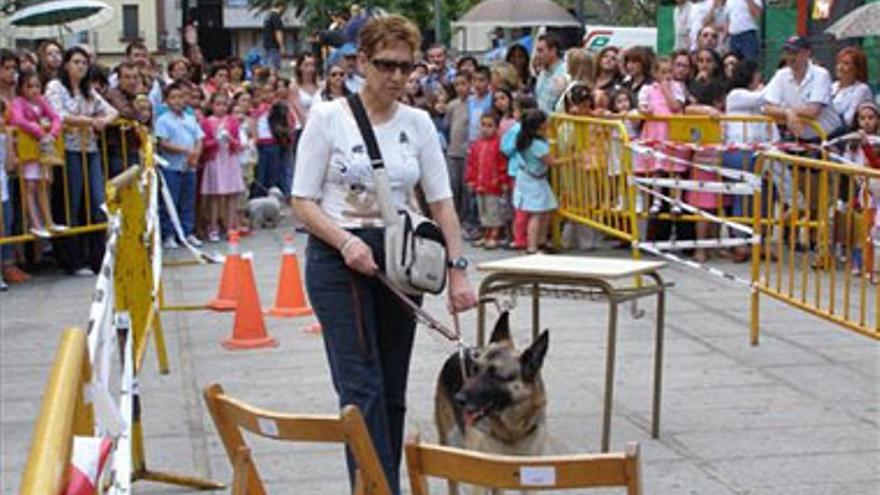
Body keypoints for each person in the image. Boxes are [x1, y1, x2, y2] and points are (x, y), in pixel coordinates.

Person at [291, 15, 477, 494]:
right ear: (361, 63)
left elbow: (441, 203)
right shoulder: (329, 116)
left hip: (400, 259)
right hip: (340, 256)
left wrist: (458, 273)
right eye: (386, 65)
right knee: (361, 387)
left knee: (392, 389)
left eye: (406, 66)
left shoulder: (417, 124)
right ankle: (375, 488)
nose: (397, 76)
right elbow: (302, 201)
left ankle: (380, 484)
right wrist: (345, 241)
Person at [45, 47, 118, 276]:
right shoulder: (55, 87)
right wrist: (88, 121)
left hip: (90, 149)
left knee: (97, 201)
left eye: (84, 63)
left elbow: (111, 111)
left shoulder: (88, 91)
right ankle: (72, 260)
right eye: (76, 62)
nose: (80, 67)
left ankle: (97, 257)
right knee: (71, 203)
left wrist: (103, 122)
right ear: (66, 64)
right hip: (67, 149)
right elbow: (58, 115)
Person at [10, 71, 65, 238]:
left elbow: (56, 118)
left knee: (42, 184)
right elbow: (18, 120)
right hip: (27, 149)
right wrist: (38, 130)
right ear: (22, 88)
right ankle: (35, 222)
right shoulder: (18, 102)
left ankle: (48, 221)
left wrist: (53, 134)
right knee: (30, 186)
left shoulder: (42, 101)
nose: (34, 90)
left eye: (37, 86)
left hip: (41, 149)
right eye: (30, 86)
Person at [762, 36, 842, 141]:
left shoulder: (821, 74)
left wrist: (787, 112)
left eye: (794, 53)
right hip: (801, 139)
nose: (790, 57)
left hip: (829, 137)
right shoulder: (781, 75)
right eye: (787, 53)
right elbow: (767, 108)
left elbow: (813, 111)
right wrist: (788, 113)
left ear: (807, 53)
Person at [155, 81, 204, 249]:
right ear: (166, 101)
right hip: (171, 167)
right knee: (170, 202)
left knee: (188, 201)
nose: (177, 101)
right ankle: (169, 234)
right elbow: (163, 143)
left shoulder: (190, 119)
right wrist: (185, 151)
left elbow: (199, 138)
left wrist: (196, 153)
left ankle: (187, 231)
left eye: (181, 97)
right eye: (173, 97)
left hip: (189, 166)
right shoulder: (163, 120)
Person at [638, 56, 687, 215]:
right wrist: (645, 110)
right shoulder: (647, 89)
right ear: (655, 73)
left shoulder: (678, 87)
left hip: (672, 133)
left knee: (675, 169)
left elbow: (675, 106)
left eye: (670, 72)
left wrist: (667, 89)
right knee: (657, 169)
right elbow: (642, 106)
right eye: (663, 72)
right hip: (655, 132)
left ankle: (676, 202)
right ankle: (657, 201)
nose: (667, 75)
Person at [200, 92, 245, 241]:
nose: (221, 108)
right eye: (218, 104)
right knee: (215, 196)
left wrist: (230, 138)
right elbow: (204, 145)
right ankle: (213, 227)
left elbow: (238, 145)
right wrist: (215, 141)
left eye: (224, 104)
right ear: (212, 105)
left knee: (231, 195)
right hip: (215, 160)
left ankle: (231, 226)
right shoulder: (206, 122)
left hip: (230, 160)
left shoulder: (232, 122)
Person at [510, 109, 557, 253]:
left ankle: (541, 241)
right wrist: (573, 158)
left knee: (547, 209)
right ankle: (532, 246)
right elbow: (551, 162)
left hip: (532, 178)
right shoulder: (537, 145)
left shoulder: (525, 139)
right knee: (536, 212)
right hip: (532, 179)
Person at [466, 112, 509, 249]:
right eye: (483, 125)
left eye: (490, 126)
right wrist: (470, 180)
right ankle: (485, 234)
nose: (485, 129)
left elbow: (502, 165)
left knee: (493, 212)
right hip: (480, 184)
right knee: (482, 211)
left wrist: (503, 181)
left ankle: (494, 236)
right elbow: (472, 164)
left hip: (493, 185)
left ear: (497, 128)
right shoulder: (476, 144)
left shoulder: (498, 145)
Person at [104, 62, 151, 177]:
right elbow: (126, 111)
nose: (132, 81)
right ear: (119, 79)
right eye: (127, 77)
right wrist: (140, 114)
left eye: (135, 77)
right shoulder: (113, 94)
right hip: (116, 151)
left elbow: (148, 117)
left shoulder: (135, 97)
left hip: (131, 148)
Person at [445, 71, 470, 219]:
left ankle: (465, 216)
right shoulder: (452, 105)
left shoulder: (473, 104)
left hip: (467, 151)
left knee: (466, 186)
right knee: (453, 185)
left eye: (463, 84)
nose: (460, 88)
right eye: (457, 85)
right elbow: (448, 126)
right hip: (453, 151)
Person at [831, 47, 873, 130]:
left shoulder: (861, 89)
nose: (840, 67)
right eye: (839, 63)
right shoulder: (832, 86)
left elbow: (849, 119)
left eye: (846, 64)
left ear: (857, 69)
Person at [533, 32, 567, 114]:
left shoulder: (565, 72)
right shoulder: (542, 72)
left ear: (553, 51)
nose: (537, 55)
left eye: (540, 51)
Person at [262, 1, 286, 69]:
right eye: (284, 8)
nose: (284, 11)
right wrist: (282, 46)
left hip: (267, 46)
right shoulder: (276, 16)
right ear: (281, 6)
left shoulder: (268, 16)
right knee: (274, 68)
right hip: (274, 46)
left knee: (268, 67)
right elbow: (278, 32)